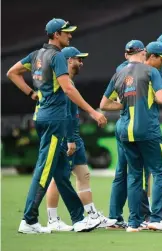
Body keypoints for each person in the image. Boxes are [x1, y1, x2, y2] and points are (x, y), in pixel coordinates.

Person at [7, 18, 107, 234]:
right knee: (44, 170)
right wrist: (92, 111)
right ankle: (29, 220)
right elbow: (68, 89)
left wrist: (32, 93)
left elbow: (12, 73)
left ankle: (79, 219)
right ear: (55, 35)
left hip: (43, 116)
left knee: (61, 173)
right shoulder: (57, 56)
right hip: (54, 120)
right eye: (66, 33)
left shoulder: (36, 55)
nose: (69, 36)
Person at [100, 41, 162, 232]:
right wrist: (152, 92)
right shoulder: (150, 72)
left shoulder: (118, 73)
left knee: (134, 175)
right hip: (147, 129)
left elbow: (104, 104)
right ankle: (158, 218)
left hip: (125, 131)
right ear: (144, 53)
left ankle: (134, 223)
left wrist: (125, 104)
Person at [45, 47, 117, 231]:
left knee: (83, 175)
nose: (81, 63)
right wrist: (70, 139)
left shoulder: (69, 83)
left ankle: (92, 214)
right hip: (66, 137)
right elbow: (65, 116)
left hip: (74, 136)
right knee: (59, 178)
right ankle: (53, 219)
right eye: (79, 59)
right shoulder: (64, 84)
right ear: (68, 60)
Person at [107, 40, 148, 229]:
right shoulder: (143, 70)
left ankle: (115, 217)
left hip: (122, 125)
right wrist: (128, 105)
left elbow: (106, 102)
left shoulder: (121, 69)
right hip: (133, 125)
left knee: (123, 172)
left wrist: (124, 104)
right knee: (135, 172)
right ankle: (138, 217)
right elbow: (108, 102)